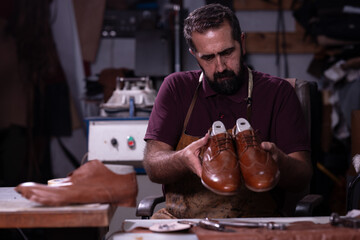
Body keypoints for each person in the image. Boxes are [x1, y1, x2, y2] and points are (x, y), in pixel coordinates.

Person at [143, 3, 312, 219]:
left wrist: (279, 161)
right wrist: (183, 158)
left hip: (254, 223)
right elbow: (153, 165)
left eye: (227, 52)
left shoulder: (277, 92)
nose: (221, 66)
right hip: (182, 223)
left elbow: (303, 175)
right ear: (194, 54)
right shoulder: (176, 88)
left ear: (241, 43)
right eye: (209, 58)